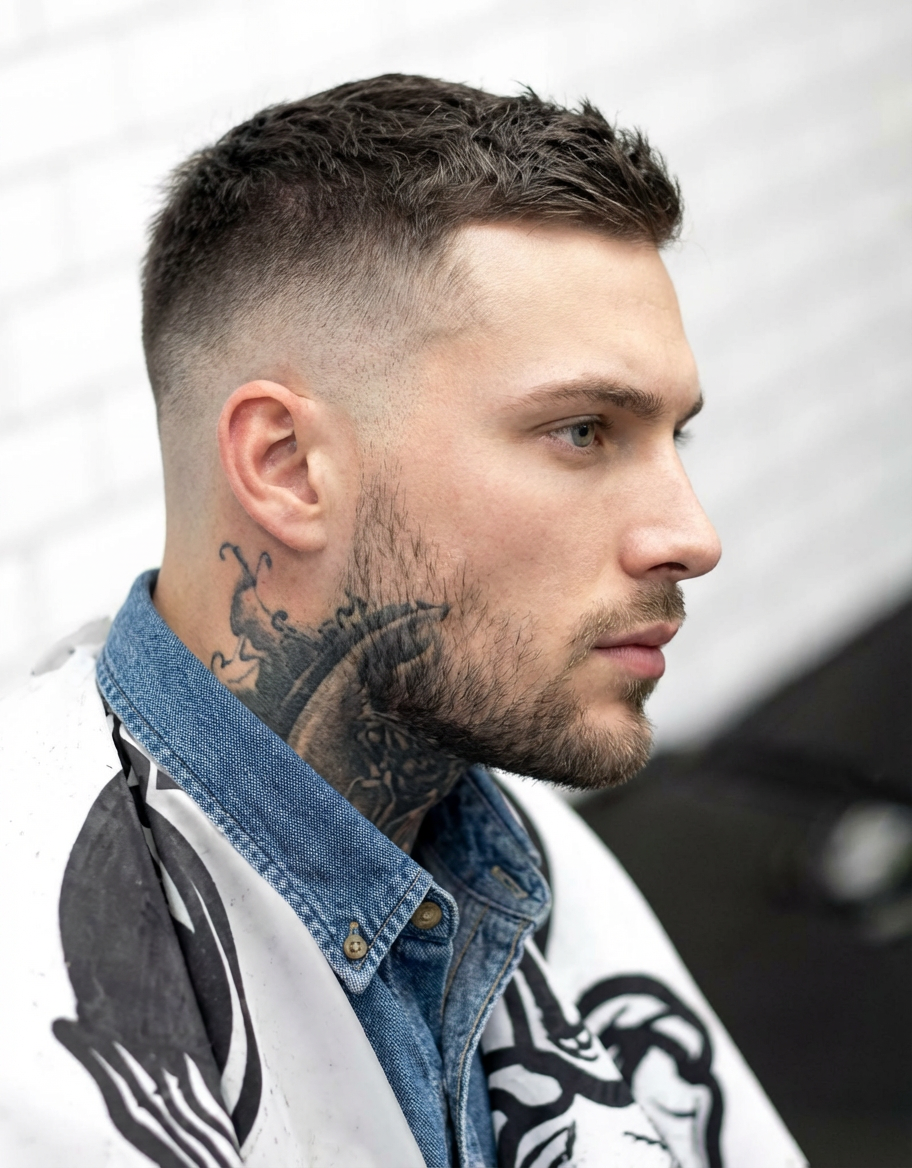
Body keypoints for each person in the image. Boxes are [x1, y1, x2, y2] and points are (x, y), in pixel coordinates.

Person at [0, 75, 806, 1168]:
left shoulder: (503, 849)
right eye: (582, 431)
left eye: (677, 438)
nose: (690, 535)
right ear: (286, 467)